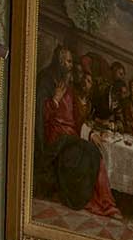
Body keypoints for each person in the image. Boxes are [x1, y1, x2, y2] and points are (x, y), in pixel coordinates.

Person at [39, 66, 119, 217]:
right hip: (58, 138)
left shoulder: (77, 98)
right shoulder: (59, 90)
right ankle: (98, 202)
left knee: (93, 153)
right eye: (82, 78)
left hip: (71, 138)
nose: (83, 81)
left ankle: (106, 203)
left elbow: (78, 122)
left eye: (88, 81)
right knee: (87, 154)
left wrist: (91, 133)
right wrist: (55, 99)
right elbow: (44, 116)